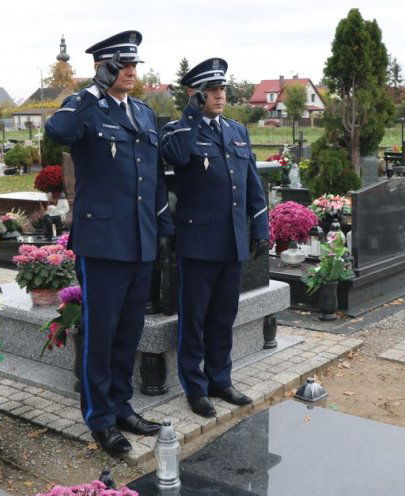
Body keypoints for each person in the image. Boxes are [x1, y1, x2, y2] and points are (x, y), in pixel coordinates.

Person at [44, 30, 174, 457]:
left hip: (139, 240)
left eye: (135, 65)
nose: (132, 72)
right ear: (104, 67)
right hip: (102, 242)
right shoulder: (86, 109)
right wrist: (90, 89)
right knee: (100, 334)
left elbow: (152, 176)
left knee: (128, 331)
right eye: (123, 65)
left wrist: (162, 226)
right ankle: (99, 418)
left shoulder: (143, 112)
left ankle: (121, 405)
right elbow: (57, 130)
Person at [160, 58, 270, 418]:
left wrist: (260, 227)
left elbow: (252, 183)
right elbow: (175, 158)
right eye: (212, 90)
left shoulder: (237, 130)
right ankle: (196, 387)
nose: (220, 95)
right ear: (195, 94)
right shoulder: (180, 130)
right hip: (199, 244)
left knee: (224, 316)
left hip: (233, 242)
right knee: (194, 319)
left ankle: (221, 379)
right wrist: (191, 116)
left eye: (222, 88)